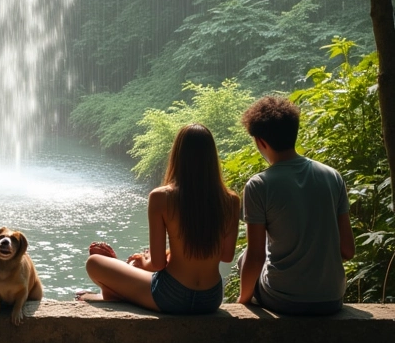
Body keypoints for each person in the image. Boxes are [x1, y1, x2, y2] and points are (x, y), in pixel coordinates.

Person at [79, 124, 239, 313]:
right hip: (211, 298)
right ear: (212, 158)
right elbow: (226, 256)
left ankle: (115, 289)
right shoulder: (231, 201)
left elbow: (157, 264)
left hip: (171, 297)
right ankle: (117, 288)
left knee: (94, 262)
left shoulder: (161, 197)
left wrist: (140, 263)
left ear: (178, 156)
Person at [238, 96, 355, 315]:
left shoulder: (259, 184)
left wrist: (242, 301)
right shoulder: (332, 176)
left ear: (261, 141)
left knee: (243, 257)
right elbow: (348, 250)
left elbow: (255, 257)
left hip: (283, 299)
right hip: (331, 299)